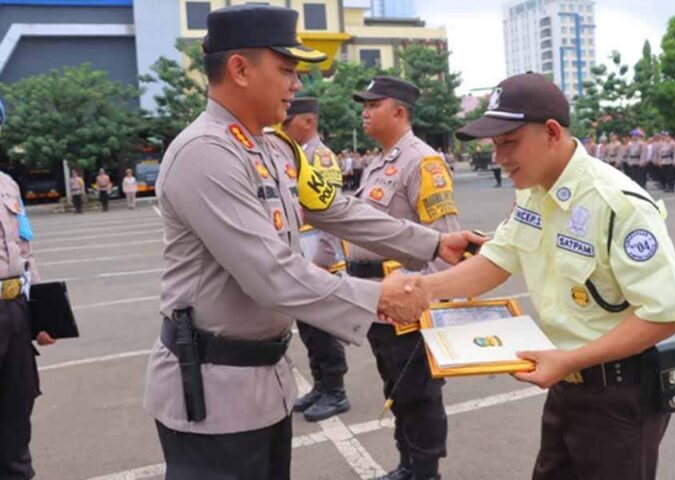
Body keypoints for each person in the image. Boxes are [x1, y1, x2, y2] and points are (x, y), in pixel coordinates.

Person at [142, 5, 483, 480]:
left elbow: (334, 209)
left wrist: (433, 243)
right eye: (286, 70)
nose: (297, 85)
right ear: (239, 69)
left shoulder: (273, 148)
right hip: (213, 396)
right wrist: (377, 297)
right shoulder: (206, 154)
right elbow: (271, 274)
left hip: (263, 384)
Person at [421, 72, 675, 480]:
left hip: (620, 395)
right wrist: (421, 290)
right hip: (566, 384)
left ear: (551, 132)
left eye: (509, 142)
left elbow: (667, 313)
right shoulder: (533, 192)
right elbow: (499, 257)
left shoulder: (617, 203)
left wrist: (569, 359)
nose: (499, 158)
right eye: (494, 145)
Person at [349, 75, 462, 480]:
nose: (364, 111)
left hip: (408, 302)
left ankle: (426, 471)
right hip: (378, 298)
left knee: (419, 393)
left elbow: (445, 241)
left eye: (373, 104)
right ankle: (408, 465)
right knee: (396, 388)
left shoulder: (422, 161)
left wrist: (426, 306)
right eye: (364, 104)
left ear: (398, 111)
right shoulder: (379, 162)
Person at [281, 96, 351, 422]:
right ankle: (321, 385)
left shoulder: (319, 157)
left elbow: (331, 215)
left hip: (318, 256)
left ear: (307, 122)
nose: (282, 127)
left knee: (323, 327)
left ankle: (335, 391)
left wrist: (322, 261)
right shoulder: (294, 156)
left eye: (288, 122)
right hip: (301, 256)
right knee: (308, 328)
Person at [0, 95, 56, 480]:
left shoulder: (7, 185)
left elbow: (24, 252)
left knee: (17, 412)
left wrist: (41, 314)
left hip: (14, 311)